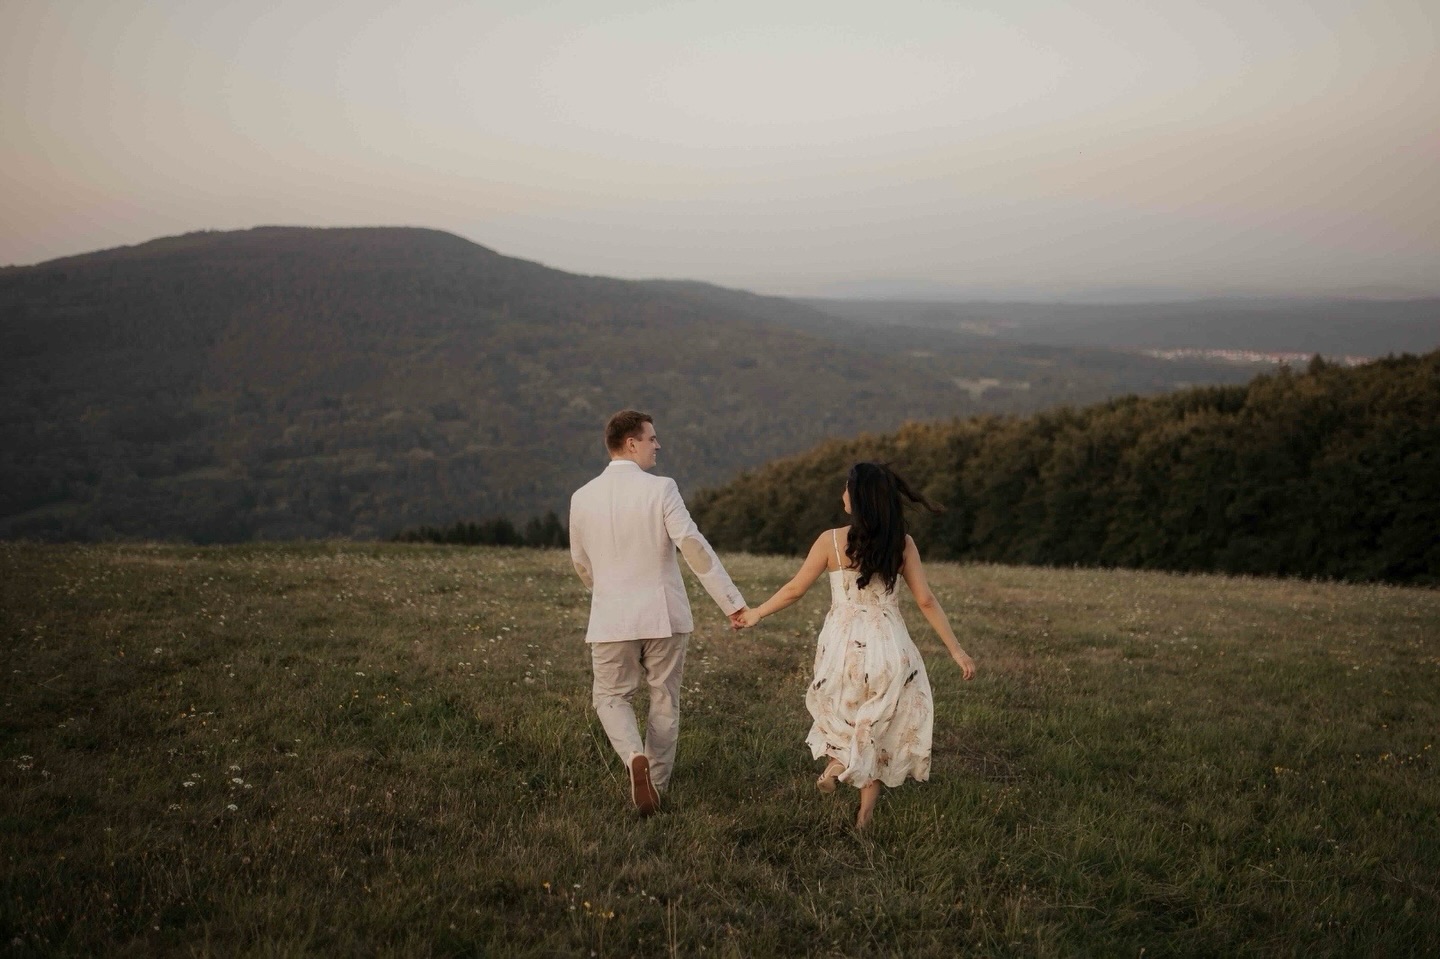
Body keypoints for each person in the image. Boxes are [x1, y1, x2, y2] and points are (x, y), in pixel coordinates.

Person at [739, 462, 976, 829]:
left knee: (846, 712)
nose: (843, 495)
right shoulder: (902, 543)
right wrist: (956, 650)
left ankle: (838, 764)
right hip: (888, 643)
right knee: (880, 723)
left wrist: (756, 614)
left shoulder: (830, 541)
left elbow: (794, 590)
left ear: (860, 498)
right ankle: (865, 813)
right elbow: (926, 600)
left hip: (842, 644)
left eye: (847, 489)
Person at [569, 410, 748, 816]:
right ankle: (657, 785)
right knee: (664, 699)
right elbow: (693, 546)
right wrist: (732, 602)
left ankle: (634, 756)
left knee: (611, 697)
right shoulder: (662, 489)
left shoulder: (581, 498)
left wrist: (608, 593)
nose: (658, 445)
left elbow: (581, 564)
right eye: (652, 438)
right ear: (631, 443)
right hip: (665, 614)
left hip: (611, 618)